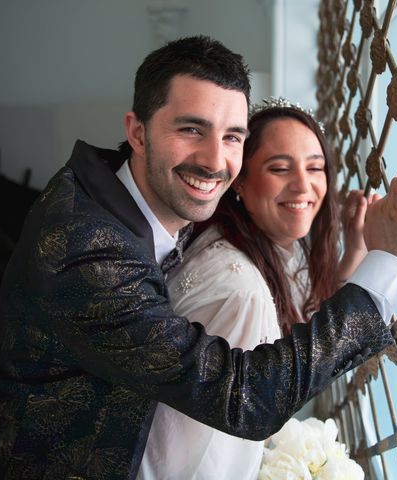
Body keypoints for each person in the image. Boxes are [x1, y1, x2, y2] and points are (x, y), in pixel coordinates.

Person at [0, 36, 397, 480]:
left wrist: (349, 261)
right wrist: (387, 266)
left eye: (233, 137)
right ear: (137, 132)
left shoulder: (125, 195)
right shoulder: (89, 248)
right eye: (191, 129)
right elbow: (245, 396)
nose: (214, 160)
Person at [138, 99, 381, 480]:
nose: (303, 185)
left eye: (315, 168)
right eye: (280, 169)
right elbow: (191, 457)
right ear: (240, 182)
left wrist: (353, 254)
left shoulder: (263, 243)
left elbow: (299, 321)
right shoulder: (241, 292)